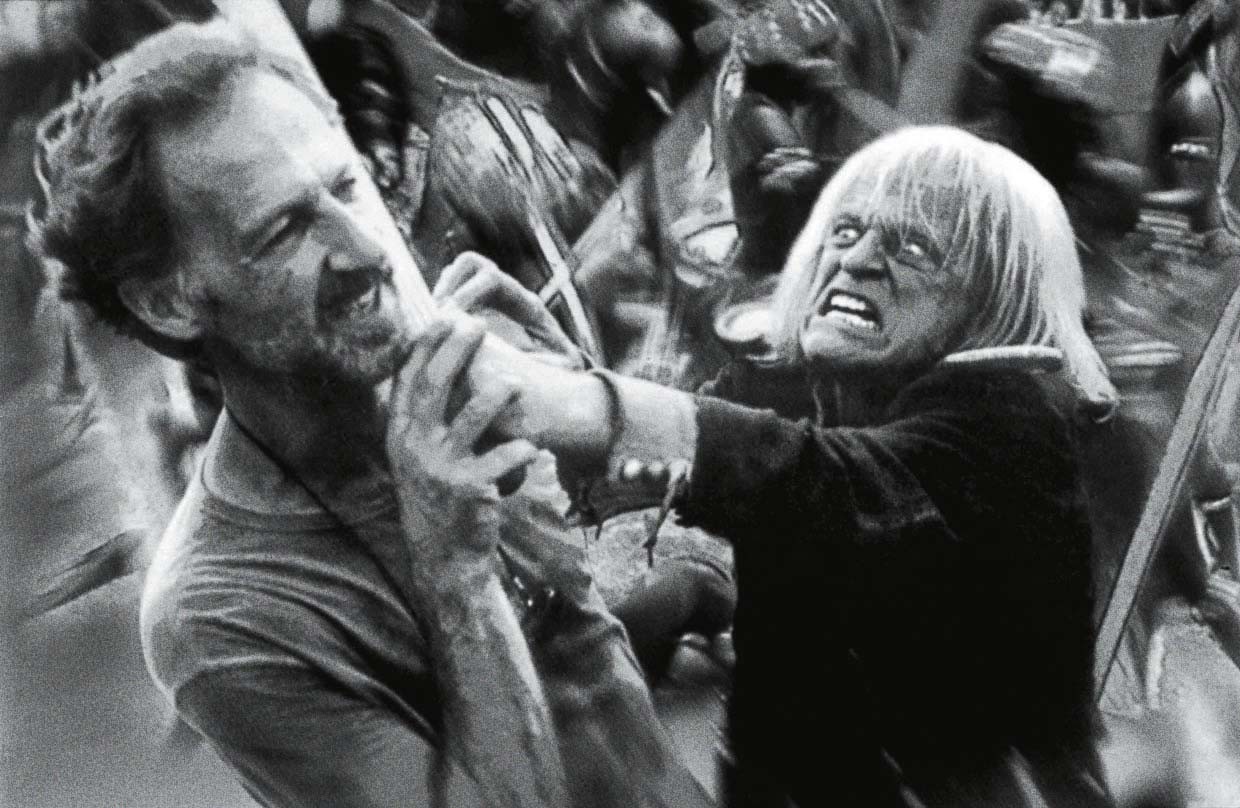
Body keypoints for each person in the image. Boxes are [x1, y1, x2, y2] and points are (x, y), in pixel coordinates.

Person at [27, 22, 709, 808]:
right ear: (169, 302)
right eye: (284, 230)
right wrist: (455, 575)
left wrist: (583, 407)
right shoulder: (224, 616)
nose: (368, 250)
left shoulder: (464, 380)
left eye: (347, 187)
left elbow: (576, 656)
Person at [486, 126, 1121, 807]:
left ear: (995, 293)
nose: (857, 259)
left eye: (914, 248)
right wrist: (573, 384)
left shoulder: (1011, 419)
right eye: (845, 231)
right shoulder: (855, 386)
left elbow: (820, 483)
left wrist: (562, 400)